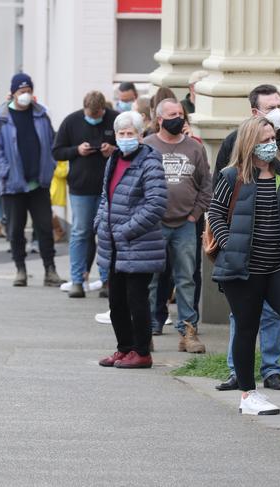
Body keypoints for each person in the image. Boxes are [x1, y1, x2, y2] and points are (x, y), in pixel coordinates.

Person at [214, 84, 280, 392]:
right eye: (265, 140)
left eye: (273, 139)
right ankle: (246, 391)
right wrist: (229, 243)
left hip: (279, 265)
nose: (272, 143)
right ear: (250, 142)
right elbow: (216, 211)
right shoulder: (232, 174)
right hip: (243, 267)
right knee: (245, 327)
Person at [95, 110, 167, 369]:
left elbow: (156, 204)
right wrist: (100, 222)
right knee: (116, 302)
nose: (125, 138)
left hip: (139, 245)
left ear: (140, 135)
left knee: (136, 300)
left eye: (130, 134)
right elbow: (106, 197)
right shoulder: (113, 159)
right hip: (113, 246)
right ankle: (124, 348)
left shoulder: (149, 162)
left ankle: (142, 351)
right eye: (121, 134)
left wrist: (125, 230)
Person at [0, 72, 65, 287]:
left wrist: (50, 165)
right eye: (22, 91)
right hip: (13, 185)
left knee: (44, 228)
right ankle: (20, 269)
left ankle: (50, 270)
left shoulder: (40, 115)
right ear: (12, 93)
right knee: (15, 229)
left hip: (39, 183)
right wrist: (7, 172)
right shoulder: (0, 119)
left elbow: (51, 142)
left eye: (29, 91)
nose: (26, 95)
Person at [144, 99, 212, 352]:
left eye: (181, 114)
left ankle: (188, 331)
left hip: (185, 223)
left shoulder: (194, 148)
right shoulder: (147, 146)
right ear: (159, 119)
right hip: (154, 225)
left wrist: (195, 215)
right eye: (172, 114)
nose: (178, 118)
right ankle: (148, 327)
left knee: (186, 278)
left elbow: (206, 184)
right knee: (151, 278)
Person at [52, 90, 117, 297]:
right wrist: (76, 151)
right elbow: (57, 151)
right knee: (80, 232)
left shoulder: (115, 119)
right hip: (81, 187)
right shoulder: (71, 121)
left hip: (109, 187)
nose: (95, 118)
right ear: (85, 109)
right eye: (91, 114)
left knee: (107, 234)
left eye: (98, 115)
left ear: (103, 109)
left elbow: (130, 147)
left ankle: (107, 280)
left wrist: (113, 150)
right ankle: (77, 280)